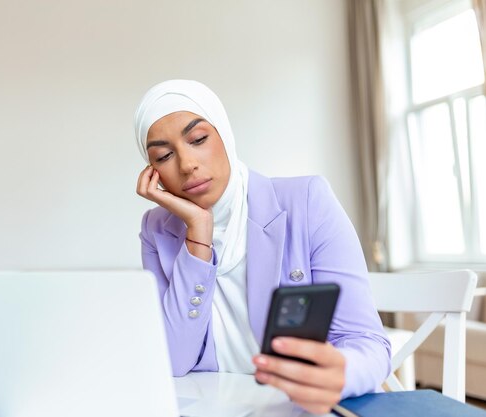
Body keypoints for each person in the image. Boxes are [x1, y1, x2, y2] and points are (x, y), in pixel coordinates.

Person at [134, 79, 391, 414]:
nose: (186, 164)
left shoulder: (307, 201)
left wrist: (341, 372)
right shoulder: (157, 230)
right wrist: (198, 234)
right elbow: (175, 359)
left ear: (224, 133)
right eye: (164, 155)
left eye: (198, 139)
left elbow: (369, 344)